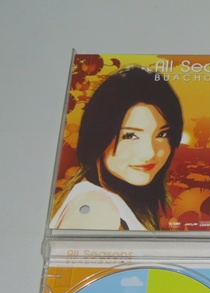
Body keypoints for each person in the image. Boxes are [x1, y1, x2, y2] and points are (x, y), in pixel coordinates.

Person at [50, 66, 183, 230]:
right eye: (130, 136)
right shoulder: (98, 209)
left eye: (162, 134)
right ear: (98, 136)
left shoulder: (112, 199)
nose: (149, 152)